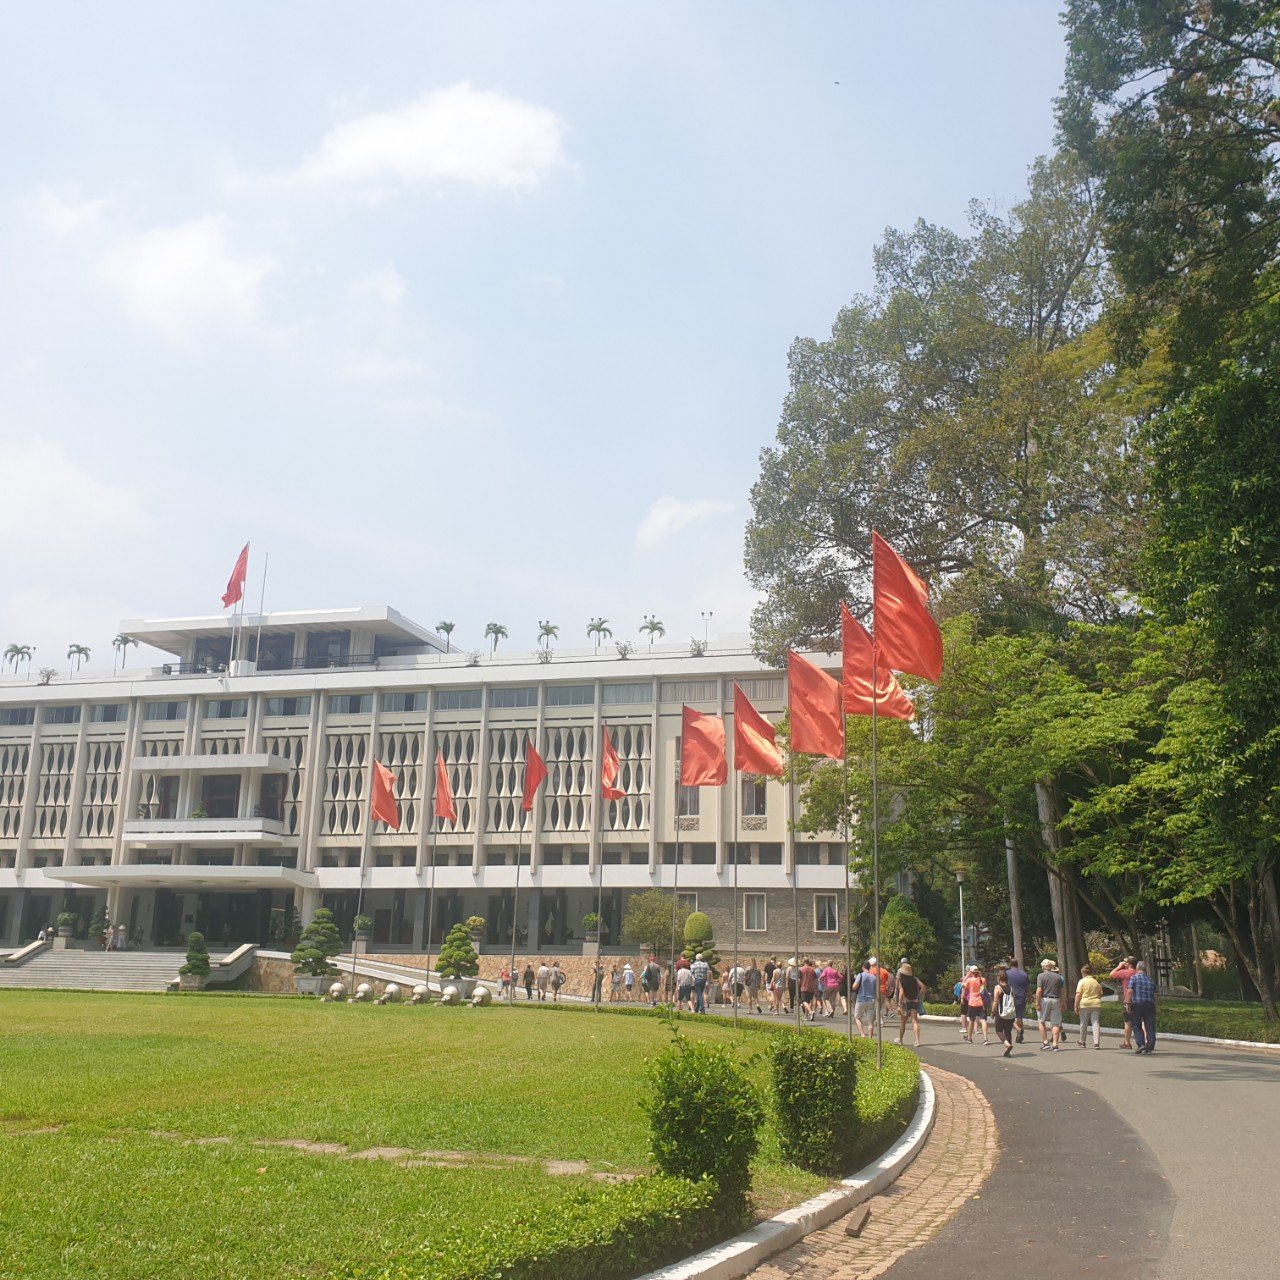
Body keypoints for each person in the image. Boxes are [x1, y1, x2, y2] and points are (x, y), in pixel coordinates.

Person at [1035, 958, 1066, 1051]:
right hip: (1056, 1000)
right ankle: (1055, 1044)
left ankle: (1045, 1042)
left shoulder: (1040, 976)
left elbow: (1039, 990)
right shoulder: (1058, 977)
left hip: (1045, 999)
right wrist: (1063, 1002)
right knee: (1056, 1023)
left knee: (1041, 1021)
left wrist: (1037, 1002)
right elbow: (1062, 991)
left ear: (1043, 967)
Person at [1129, 960, 1158, 1054]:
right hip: (1149, 1005)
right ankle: (1150, 1047)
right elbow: (1155, 996)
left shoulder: (1133, 978)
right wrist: (1156, 1007)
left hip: (1137, 1004)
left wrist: (1127, 1003)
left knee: (1136, 1024)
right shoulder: (1151, 980)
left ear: (1137, 968)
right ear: (1145, 969)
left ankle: (1141, 1044)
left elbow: (1130, 991)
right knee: (1150, 1026)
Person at [895, 961, 926, 1047]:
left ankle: (900, 1040)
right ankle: (917, 1041)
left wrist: (899, 1004)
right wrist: (918, 996)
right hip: (914, 1002)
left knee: (903, 1022)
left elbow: (901, 992)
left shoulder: (900, 980)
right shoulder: (915, 979)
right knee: (914, 1021)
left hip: (905, 1002)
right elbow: (923, 987)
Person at [1110, 956, 1138, 1049]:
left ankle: (1127, 1042)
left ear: (1128, 964)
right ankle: (1146, 1042)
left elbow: (1111, 974)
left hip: (1128, 1001)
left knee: (1128, 1022)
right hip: (1139, 1000)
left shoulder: (1125, 973)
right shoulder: (1138, 973)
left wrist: (1119, 966)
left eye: (1125, 962)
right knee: (1142, 1021)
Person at [1075, 963, 1104, 1048]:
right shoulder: (1095, 982)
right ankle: (1096, 1043)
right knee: (1095, 1023)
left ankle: (1082, 1041)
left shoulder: (1082, 981)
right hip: (1095, 1004)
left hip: (1084, 1004)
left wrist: (1076, 1005)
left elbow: (1078, 994)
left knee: (1083, 1023)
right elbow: (1100, 993)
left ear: (1082, 973)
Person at [991, 967, 1016, 1056]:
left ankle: (1006, 1044)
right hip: (1011, 1013)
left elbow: (995, 1001)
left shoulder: (998, 988)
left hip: (1001, 1013)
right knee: (1008, 1031)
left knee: (999, 1030)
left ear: (998, 977)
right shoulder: (1011, 988)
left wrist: (993, 1012)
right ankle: (1008, 1052)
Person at [961, 965, 989, 1044]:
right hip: (982, 1003)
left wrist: (967, 975)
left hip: (972, 1003)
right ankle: (985, 1038)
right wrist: (980, 975)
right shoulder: (983, 980)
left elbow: (962, 985)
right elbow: (983, 988)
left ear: (971, 972)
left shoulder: (969, 980)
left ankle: (969, 1038)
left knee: (971, 1020)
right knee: (983, 1020)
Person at [1004, 958, 1029, 1043]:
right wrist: (1029, 996)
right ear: (1017, 964)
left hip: (1010, 997)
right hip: (1021, 996)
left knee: (1008, 1015)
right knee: (1019, 1016)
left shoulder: (1006, 974)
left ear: (1010, 964)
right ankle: (1020, 1031)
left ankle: (1018, 1029)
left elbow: (1003, 985)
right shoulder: (1024, 974)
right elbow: (1027, 986)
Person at [854, 961, 878, 1037]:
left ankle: (862, 1034)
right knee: (870, 1022)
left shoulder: (860, 975)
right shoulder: (874, 977)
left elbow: (854, 986)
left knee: (857, 1018)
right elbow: (875, 990)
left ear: (863, 967)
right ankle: (870, 1038)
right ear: (869, 967)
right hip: (871, 999)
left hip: (861, 999)